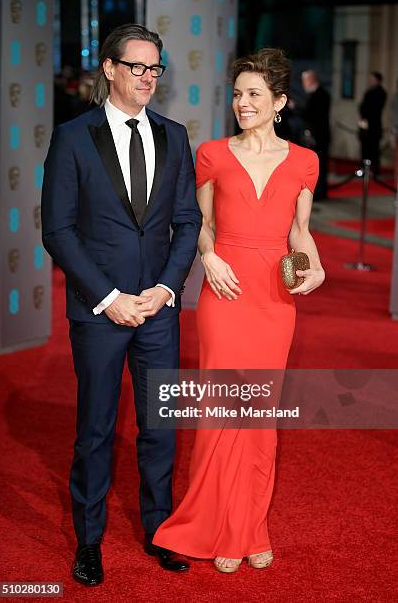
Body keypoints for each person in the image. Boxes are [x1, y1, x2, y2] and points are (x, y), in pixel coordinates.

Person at [153, 48, 325, 572]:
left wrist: (315, 268)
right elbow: (199, 223)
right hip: (224, 296)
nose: (242, 103)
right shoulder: (212, 153)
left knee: (259, 418)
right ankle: (219, 527)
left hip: (274, 300)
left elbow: (300, 234)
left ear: (279, 102)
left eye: (253, 95)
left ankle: (251, 526)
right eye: (237, 94)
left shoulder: (304, 161)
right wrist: (209, 256)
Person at [41, 23, 202, 585]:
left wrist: (165, 288)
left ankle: (160, 530)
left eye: (155, 69)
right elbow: (58, 231)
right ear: (109, 69)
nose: (148, 78)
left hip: (159, 308)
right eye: (137, 67)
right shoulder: (73, 137)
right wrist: (108, 299)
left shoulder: (175, 135)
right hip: (100, 312)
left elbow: (187, 221)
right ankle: (89, 540)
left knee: (160, 427)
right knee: (97, 429)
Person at [300, 70, 331, 200]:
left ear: (311, 80)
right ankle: (317, 191)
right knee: (316, 165)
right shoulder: (317, 94)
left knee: (320, 165)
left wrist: (297, 108)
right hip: (317, 135)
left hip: (319, 135)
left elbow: (313, 116)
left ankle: (319, 192)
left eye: (305, 81)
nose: (303, 84)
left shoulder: (321, 95)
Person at [358, 71, 387, 177]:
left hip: (374, 126)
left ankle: (374, 171)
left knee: (374, 149)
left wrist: (366, 111)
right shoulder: (368, 92)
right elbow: (362, 107)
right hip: (365, 124)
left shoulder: (381, 93)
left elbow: (376, 109)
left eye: (372, 78)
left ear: (378, 80)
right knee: (364, 148)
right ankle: (363, 169)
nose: (370, 80)